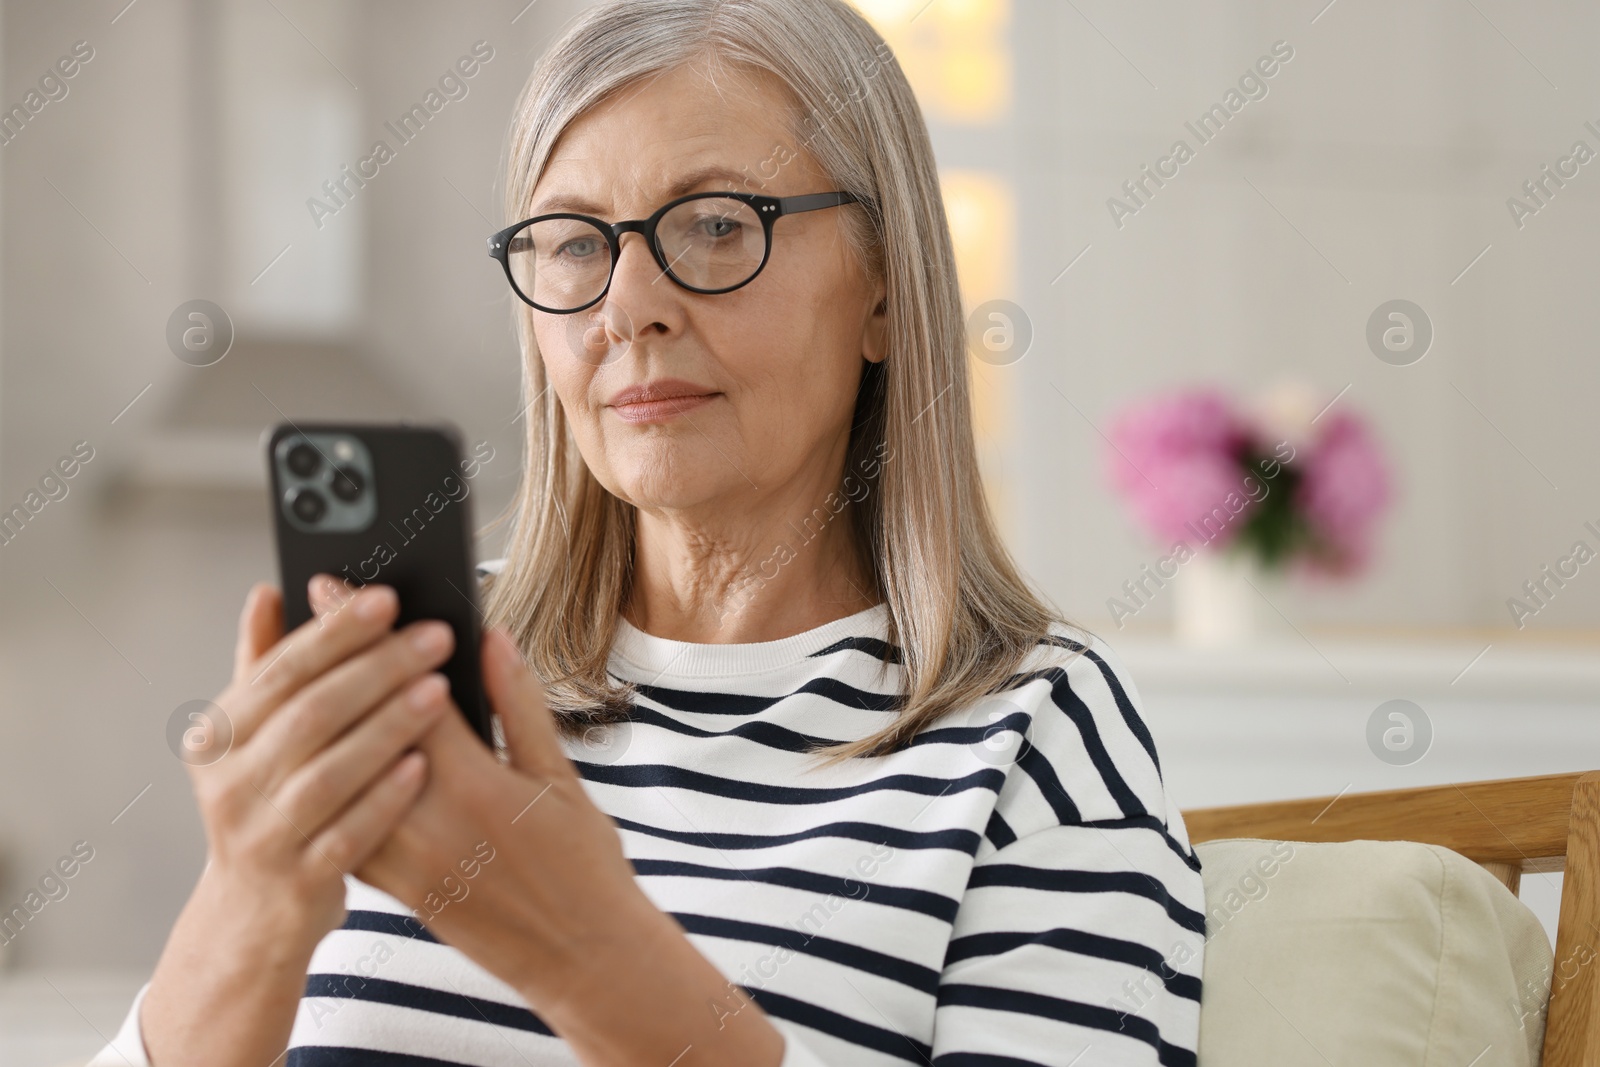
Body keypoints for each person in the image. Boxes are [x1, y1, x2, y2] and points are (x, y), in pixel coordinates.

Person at [91, 0, 1204, 1063]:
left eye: (717, 225)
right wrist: (249, 902)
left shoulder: (1035, 737)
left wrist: (586, 955)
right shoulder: (423, 674)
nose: (627, 307)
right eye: (575, 244)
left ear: (881, 287)